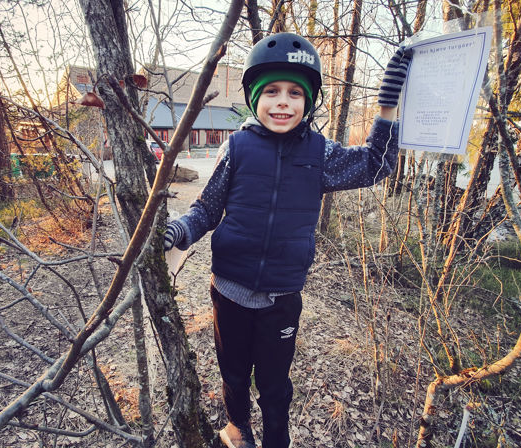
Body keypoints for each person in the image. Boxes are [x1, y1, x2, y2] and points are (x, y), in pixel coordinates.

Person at [163, 32, 412, 448]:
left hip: (281, 299)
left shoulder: (321, 154)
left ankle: (276, 441)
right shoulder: (237, 148)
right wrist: (180, 231)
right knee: (234, 375)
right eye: (272, 91)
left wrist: (388, 104)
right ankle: (237, 428)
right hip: (229, 291)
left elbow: (376, 164)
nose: (283, 102)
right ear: (254, 98)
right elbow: (206, 209)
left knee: (275, 386)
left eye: (295, 93)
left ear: (308, 101)